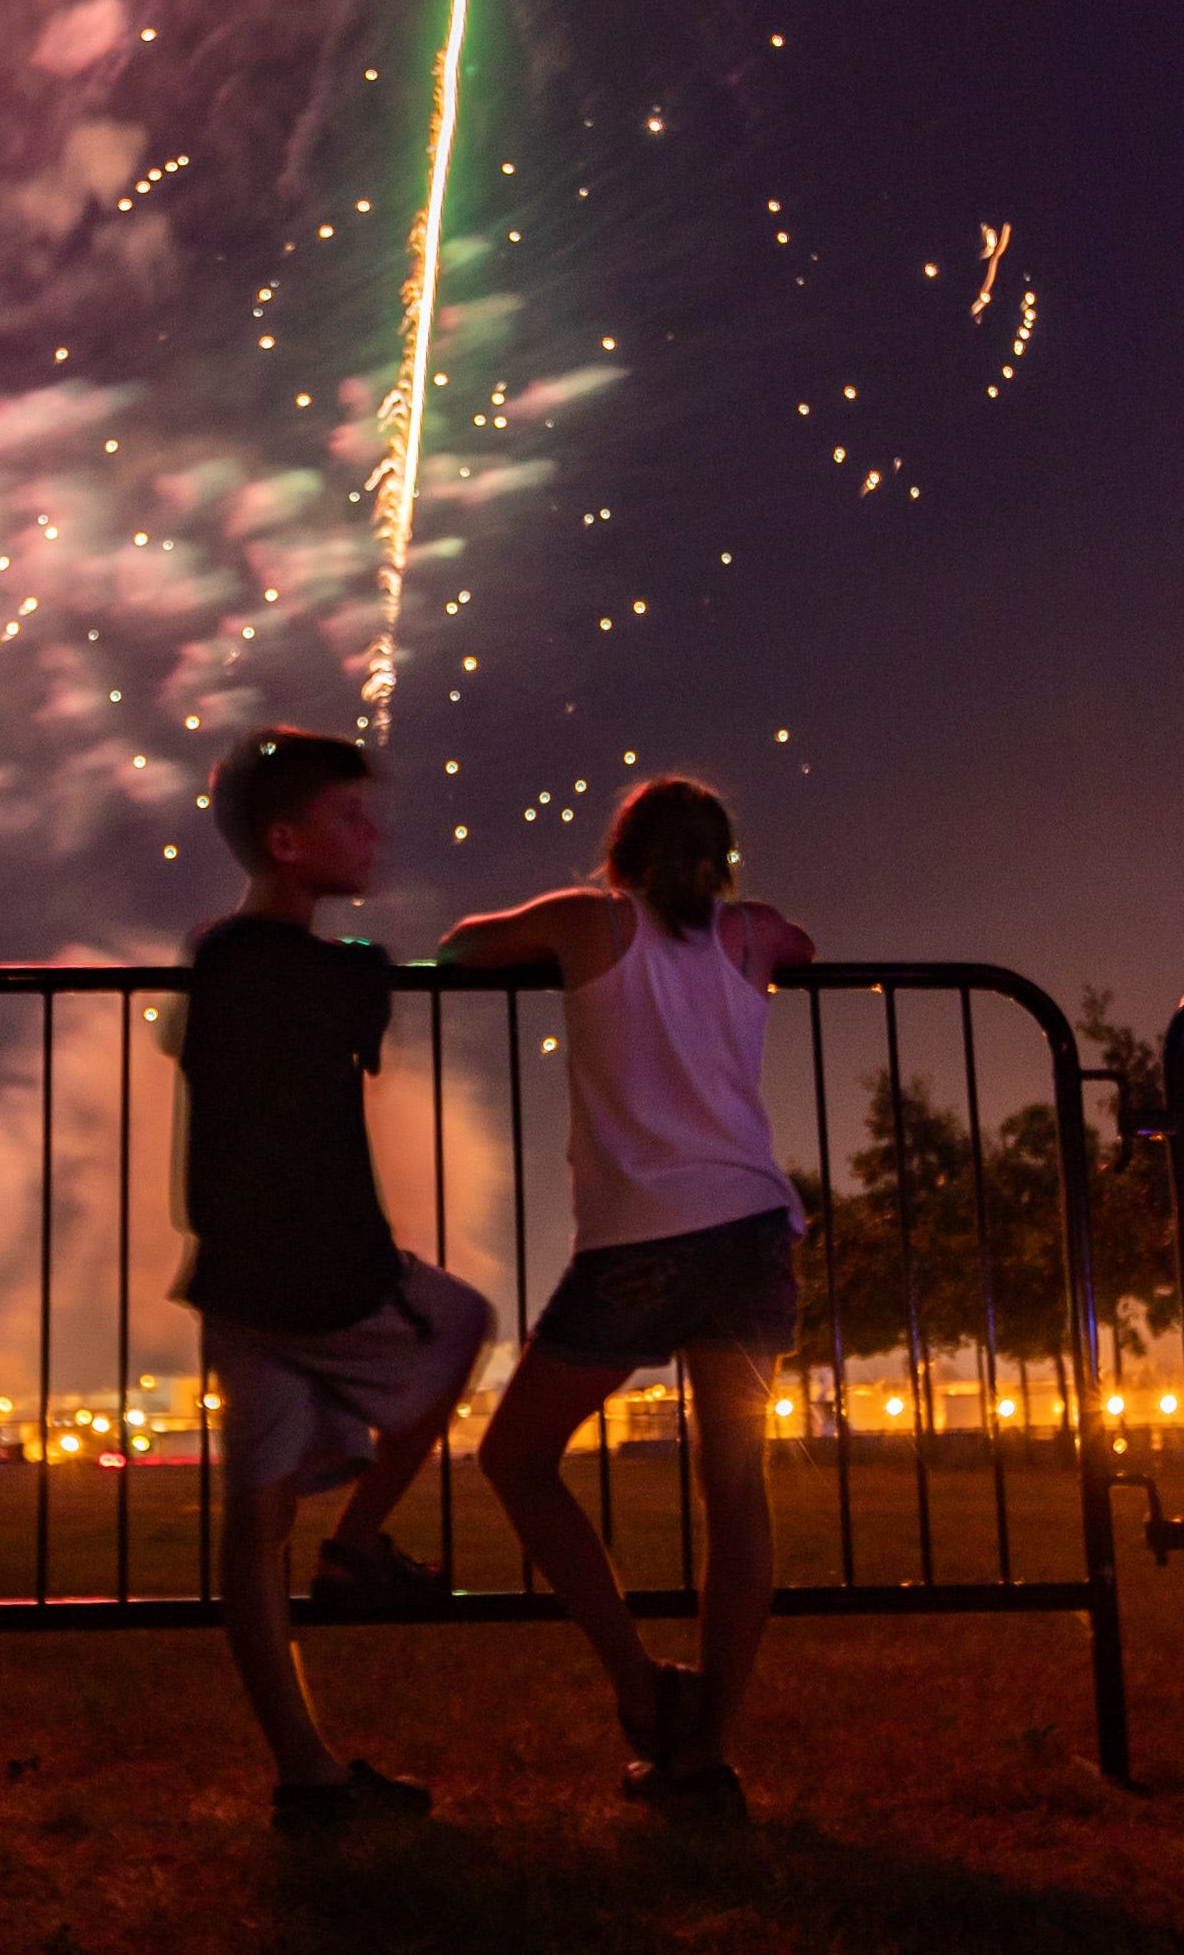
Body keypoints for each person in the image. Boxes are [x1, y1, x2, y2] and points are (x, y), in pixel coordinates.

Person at [441, 774, 814, 1822]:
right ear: (722, 862)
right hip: (750, 1231)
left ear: (620, 857)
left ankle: (640, 1685)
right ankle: (709, 1752)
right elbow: (804, 945)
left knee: (515, 1458)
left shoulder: (588, 921)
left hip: (643, 1239)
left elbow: (467, 942)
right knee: (736, 1494)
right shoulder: (749, 934)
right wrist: (743, 920)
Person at [174, 726, 494, 1833]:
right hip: (328, 1272)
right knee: (464, 1324)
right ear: (285, 840)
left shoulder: (219, 960)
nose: (375, 834)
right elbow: (358, 1007)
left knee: (252, 1523)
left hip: (241, 1280)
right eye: (352, 818)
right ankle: (358, 1540)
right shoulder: (332, 972)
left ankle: (305, 1773)